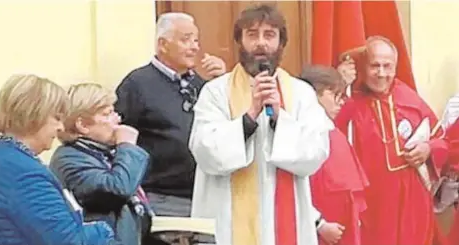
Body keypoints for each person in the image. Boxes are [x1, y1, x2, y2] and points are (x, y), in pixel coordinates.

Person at [189, 4, 334, 245]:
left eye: (269, 35)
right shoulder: (215, 92)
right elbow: (204, 151)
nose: (261, 43)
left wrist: (279, 117)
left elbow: (316, 152)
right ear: (240, 41)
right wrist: (250, 116)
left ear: (280, 43)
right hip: (227, 222)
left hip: (286, 226)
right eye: (252, 35)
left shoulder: (300, 93)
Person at [0, 74, 116, 245]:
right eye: (56, 118)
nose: (61, 127)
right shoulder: (24, 173)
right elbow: (70, 242)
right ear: (34, 114)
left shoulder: (3, 156)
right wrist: (103, 230)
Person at [336, 36, 449, 245]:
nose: (381, 73)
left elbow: (441, 140)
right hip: (373, 206)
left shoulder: (409, 97)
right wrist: (341, 85)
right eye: (374, 66)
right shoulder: (350, 100)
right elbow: (331, 138)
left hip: (412, 203)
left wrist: (427, 148)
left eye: (387, 66)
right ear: (363, 66)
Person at [114, 12, 226, 217]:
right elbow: (119, 138)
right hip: (162, 197)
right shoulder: (136, 84)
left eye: (196, 40)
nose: (194, 47)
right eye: (186, 40)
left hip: (206, 194)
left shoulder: (203, 85)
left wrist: (223, 84)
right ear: (163, 44)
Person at [49, 83, 151, 245]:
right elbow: (118, 189)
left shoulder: (101, 154)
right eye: (107, 114)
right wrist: (128, 146)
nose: (117, 119)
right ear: (82, 125)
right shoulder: (69, 160)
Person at [302, 65, 369, 245]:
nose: (341, 102)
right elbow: (293, 189)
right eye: (334, 95)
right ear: (312, 95)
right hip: (319, 231)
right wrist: (319, 223)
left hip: (343, 228)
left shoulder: (329, 128)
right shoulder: (301, 133)